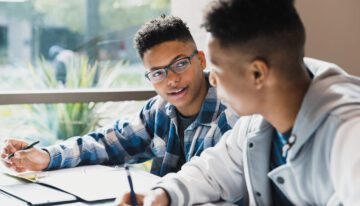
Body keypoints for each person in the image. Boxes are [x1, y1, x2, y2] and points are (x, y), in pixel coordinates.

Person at [118, 0, 360, 205]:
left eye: (218, 69)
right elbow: (212, 172)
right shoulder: (259, 119)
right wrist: (162, 195)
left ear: (257, 73)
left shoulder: (350, 135)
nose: (211, 79)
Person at [0, 16, 238, 177]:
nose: (171, 79)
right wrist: (46, 156)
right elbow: (104, 144)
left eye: (180, 64)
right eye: (157, 73)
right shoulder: (158, 110)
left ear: (201, 60)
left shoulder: (231, 117)